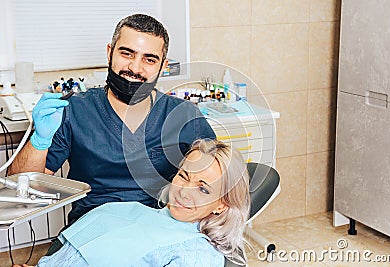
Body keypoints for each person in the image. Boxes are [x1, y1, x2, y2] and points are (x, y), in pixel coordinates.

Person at [9, 13, 215, 225]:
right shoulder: (74, 110)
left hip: (160, 229)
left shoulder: (184, 116)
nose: (135, 68)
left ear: (163, 66)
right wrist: (39, 141)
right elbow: (21, 189)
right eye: (127, 53)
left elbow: (218, 184)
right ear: (110, 53)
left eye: (149, 59)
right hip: (92, 230)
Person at [14, 139, 250, 267]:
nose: (184, 193)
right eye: (183, 176)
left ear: (222, 205)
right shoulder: (129, 211)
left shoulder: (195, 253)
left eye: (203, 189)